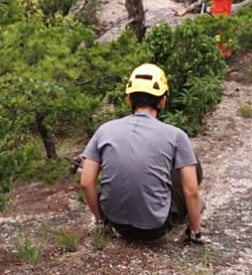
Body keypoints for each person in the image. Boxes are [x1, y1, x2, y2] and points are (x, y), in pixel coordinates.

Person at [80, 64, 203, 243]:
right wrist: (195, 233)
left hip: (116, 223)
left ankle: (103, 225)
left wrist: (102, 221)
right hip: (156, 228)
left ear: (129, 99)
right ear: (162, 101)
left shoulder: (104, 130)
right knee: (191, 171)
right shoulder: (176, 135)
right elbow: (191, 191)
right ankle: (192, 230)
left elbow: (86, 182)